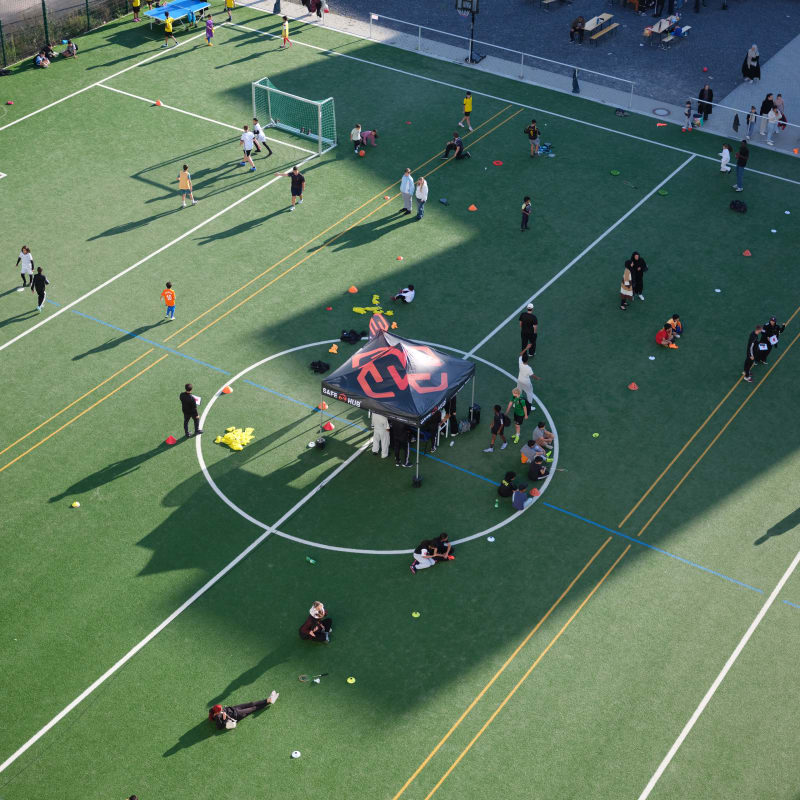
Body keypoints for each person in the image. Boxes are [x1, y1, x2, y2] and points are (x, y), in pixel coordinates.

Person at [209, 692, 279, 729]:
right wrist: (224, 719)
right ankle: (269, 701)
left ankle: (269, 700)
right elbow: (219, 727)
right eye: (220, 710)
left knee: (251, 703)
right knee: (253, 708)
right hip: (237, 714)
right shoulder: (218, 717)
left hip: (234, 708)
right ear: (217, 712)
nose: (222, 709)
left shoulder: (212, 710)